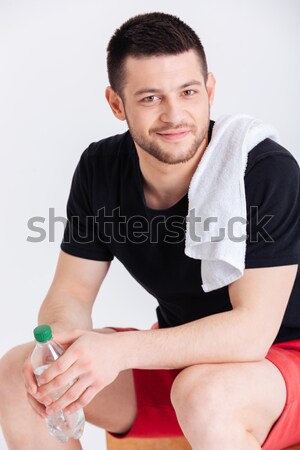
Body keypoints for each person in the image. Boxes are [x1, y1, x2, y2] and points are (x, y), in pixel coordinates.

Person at [0, 11, 299, 450]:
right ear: (116, 104)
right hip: (179, 360)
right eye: (150, 98)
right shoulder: (100, 168)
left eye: (189, 92)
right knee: (18, 373)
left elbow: (252, 333)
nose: (175, 115)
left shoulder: (264, 171)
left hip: (277, 364)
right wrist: (60, 353)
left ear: (210, 90)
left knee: (206, 394)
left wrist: (119, 351)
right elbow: (70, 295)